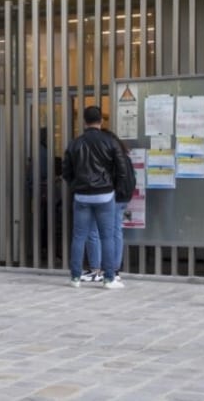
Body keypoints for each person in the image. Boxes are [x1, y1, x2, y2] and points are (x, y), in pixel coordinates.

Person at [62, 106, 124, 289]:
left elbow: (66, 171)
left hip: (81, 196)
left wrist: (75, 186)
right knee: (107, 237)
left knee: (79, 237)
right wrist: (114, 188)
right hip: (105, 196)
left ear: (84, 122)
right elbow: (121, 169)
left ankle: (75, 278)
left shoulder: (75, 144)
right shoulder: (109, 141)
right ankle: (109, 279)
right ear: (101, 121)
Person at [82, 128, 136, 283]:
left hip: (109, 197)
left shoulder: (108, 153)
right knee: (115, 231)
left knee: (93, 229)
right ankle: (114, 270)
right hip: (123, 197)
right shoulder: (123, 153)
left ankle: (95, 270)